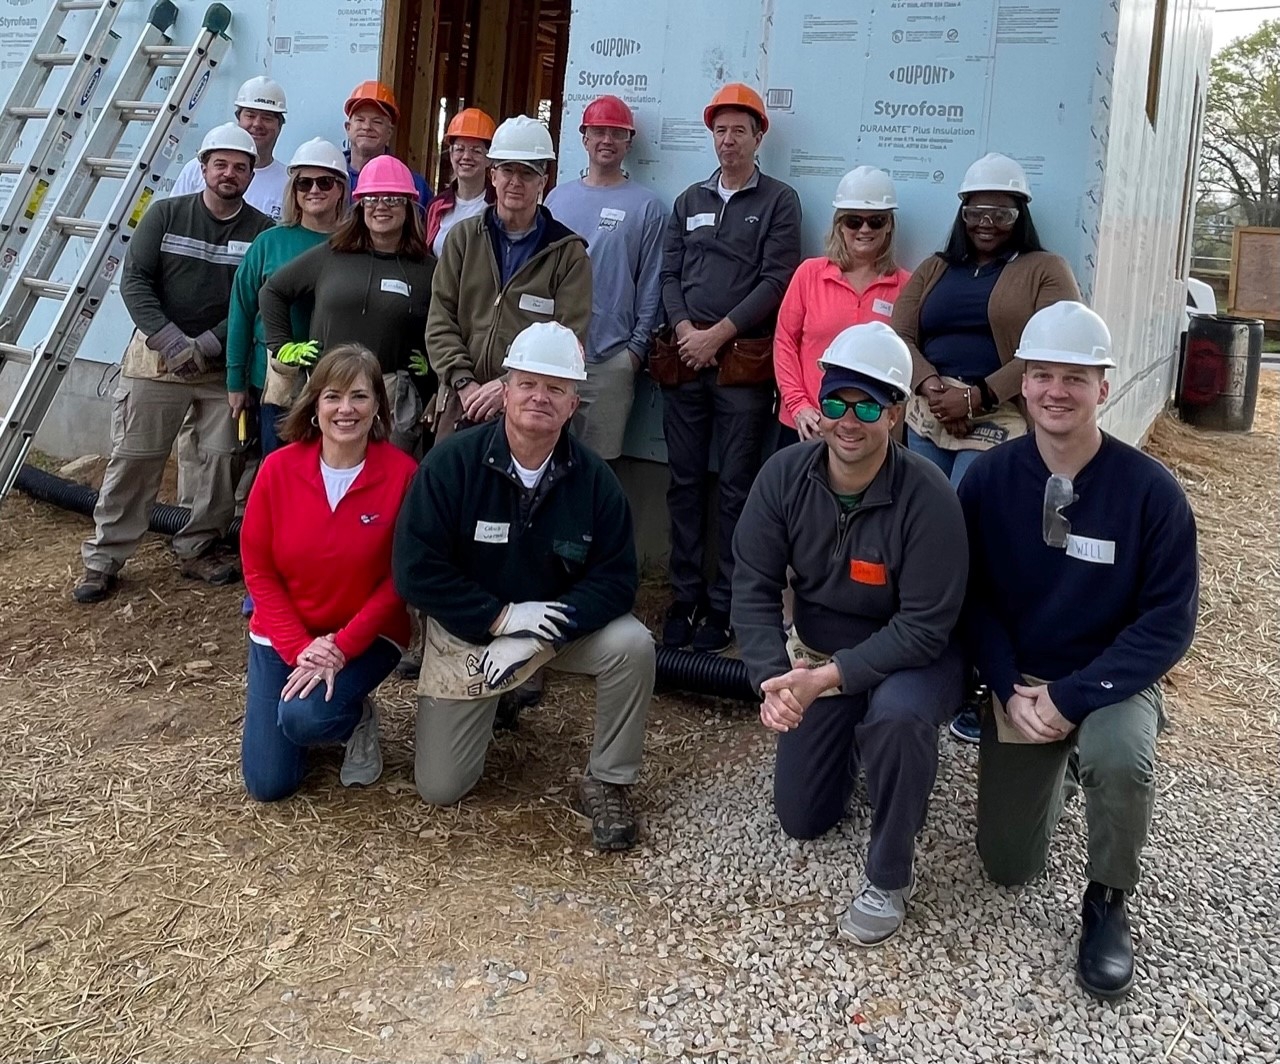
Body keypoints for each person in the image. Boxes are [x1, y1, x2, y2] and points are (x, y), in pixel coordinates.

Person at [957, 302, 1198, 1000]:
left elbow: (1167, 622)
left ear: (1104, 387)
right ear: (1023, 385)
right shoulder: (990, 481)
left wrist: (1073, 697)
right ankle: (1056, 765)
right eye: (1041, 375)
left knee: (1119, 757)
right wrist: (1005, 686)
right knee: (1007, 865)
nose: (1056, 391)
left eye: (1075, 376)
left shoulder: (1149, 493)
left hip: (1111, 680)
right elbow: (973, 600)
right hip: (1023, 682)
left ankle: (1108, 899)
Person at [732, 321, 967, 946]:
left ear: (895, 413)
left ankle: (891, 873)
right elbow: (752, 583)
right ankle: (859, 744)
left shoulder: (929, 498)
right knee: (803, 818)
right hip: (818, 657)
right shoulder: (784, 476)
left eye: (868, 404)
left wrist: (826, 679)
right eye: (836, 401)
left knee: (897, 718)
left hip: (917, 657)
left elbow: (924, 626)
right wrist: (771, 679)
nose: (848, 419)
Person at [392, 322, 654, 851]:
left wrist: (537, 633)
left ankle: (608, 779)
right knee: (442, 788)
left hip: (550, 630)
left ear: (573, 402)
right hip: (471, 632)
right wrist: (500, 619)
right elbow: (415, 568)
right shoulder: (452, 464)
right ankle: (497, 700)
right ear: (504, 390)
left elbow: (616, 580)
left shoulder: (594, 481)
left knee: (633, 645)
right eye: (529, 383)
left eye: (556, 388)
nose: (541, 397)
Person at [891, 151, 1080, 744]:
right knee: (916, 530)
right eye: (976, 208)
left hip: (997, 419)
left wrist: (978, 394)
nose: (987, 221)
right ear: (963, 212)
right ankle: (916, 656)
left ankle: (981, 678)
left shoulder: (1046, 269)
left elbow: (1053, 345)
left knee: (973, 536)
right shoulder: (936, 268)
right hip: (928, 412)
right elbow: (900, 333)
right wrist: (929, 385)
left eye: (1001, 210)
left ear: (1019, 213)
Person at [73, 124, 273, 604]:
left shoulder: (262, 232)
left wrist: (206, 344)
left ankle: (197, 546)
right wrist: (171, 341)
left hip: (222, 366)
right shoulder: (164, 215)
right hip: (155, 363)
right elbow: (135, 282)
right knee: (136, 461)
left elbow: (259, 299)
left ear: (250, 175)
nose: (230, 174)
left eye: (240, 167)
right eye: (220, 164)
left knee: (222, 463)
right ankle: (104, 559)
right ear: (202, 167)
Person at [657, 82, 802, 653]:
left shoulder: (779, 201)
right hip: (686, 364)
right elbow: (669, 274)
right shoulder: (689, 199)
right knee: (685, 483)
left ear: (758, 136)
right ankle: (684, 597)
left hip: (742, 367)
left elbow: (777, 280)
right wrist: (687, 332)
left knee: (737, 489)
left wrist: (719, 333)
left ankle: (724, 605)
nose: (728, 140)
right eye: (720, 130)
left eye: (739, 130)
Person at [239, 345, 419, 801]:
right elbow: (258, 570)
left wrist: (340, 647)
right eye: (333, 396)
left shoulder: (402, 475)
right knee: (269, 785)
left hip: (364, 636)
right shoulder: (278, 468)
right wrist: (302, 648)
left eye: (359, 396)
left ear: (378, 405)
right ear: (314, 405)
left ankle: (353, 717)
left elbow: (401, 578)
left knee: (305, 718)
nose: (346, 409)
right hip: (285, 635)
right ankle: (305, 717)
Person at [426, 114, 592, 444]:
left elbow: (568, 338)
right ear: (493, 175)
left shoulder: (568, 254)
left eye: (527, 173)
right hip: (463, 401)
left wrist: (506, 385)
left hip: (530, 406)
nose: (516, 181)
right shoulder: (463, 239)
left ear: (543, 180)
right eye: (507, 170)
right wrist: (464, 382)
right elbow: (440, 319)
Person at [259, 156, 436, 455]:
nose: (381, 206)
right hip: (327, 389)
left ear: (409, 206)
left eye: (393, 198)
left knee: (387, 482)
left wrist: (430, 368)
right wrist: (282, 346)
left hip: (392, 397)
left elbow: (445, 321)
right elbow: (273, 291)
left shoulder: (428, 269)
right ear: (360, 206)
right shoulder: (332, 254)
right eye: (371, 199)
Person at [544, 95, 666, 461]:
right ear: (584, 138)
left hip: (609, 359)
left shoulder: (647, 207)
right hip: (552, 357)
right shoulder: (555, 200)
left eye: (617, 133)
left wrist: (633, 353)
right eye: (599, 131)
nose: (607, 141)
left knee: (596, 468)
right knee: (541, 458)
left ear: (629, 142)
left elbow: (652, 284)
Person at [226, 138, 349, 456]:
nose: (314, 190)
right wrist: (236, 383)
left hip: (338, 381)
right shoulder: (270, 243)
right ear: (293, 190)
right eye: (304, 183)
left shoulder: (354, 246)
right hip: (275, 383)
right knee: (278, 468)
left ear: (340, 189)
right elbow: (241, 310)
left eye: (325, 182)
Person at [774, 167, 911, 447]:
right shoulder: (810, 274)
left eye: (876, 221)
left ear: (888, 226)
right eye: (853, 221)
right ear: (839, 225)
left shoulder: (906, 286)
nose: (864, 229)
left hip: (866, 432)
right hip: (806, 424)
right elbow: (785, 342)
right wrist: (799, 406)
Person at [169, 77, 290, 220]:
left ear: (280, 125)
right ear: (238, 118)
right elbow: (174, 218)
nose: (257, 124)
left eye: (267, 117)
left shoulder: (289, 183)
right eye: (250, 115)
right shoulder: (196, 169)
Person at [342, 81, 431, 209]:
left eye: (377, 122)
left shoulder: (414, 185)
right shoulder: (327, 181)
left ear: (389, 132)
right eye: (360, 120)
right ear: (348, 127)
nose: (367, 127)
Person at [425, 107, 496, 257]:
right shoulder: (436, 206)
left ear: (489, 159)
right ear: (451, 155)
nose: (466, 156)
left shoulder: (499, 205)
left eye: (476, 151)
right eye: (459, 149)